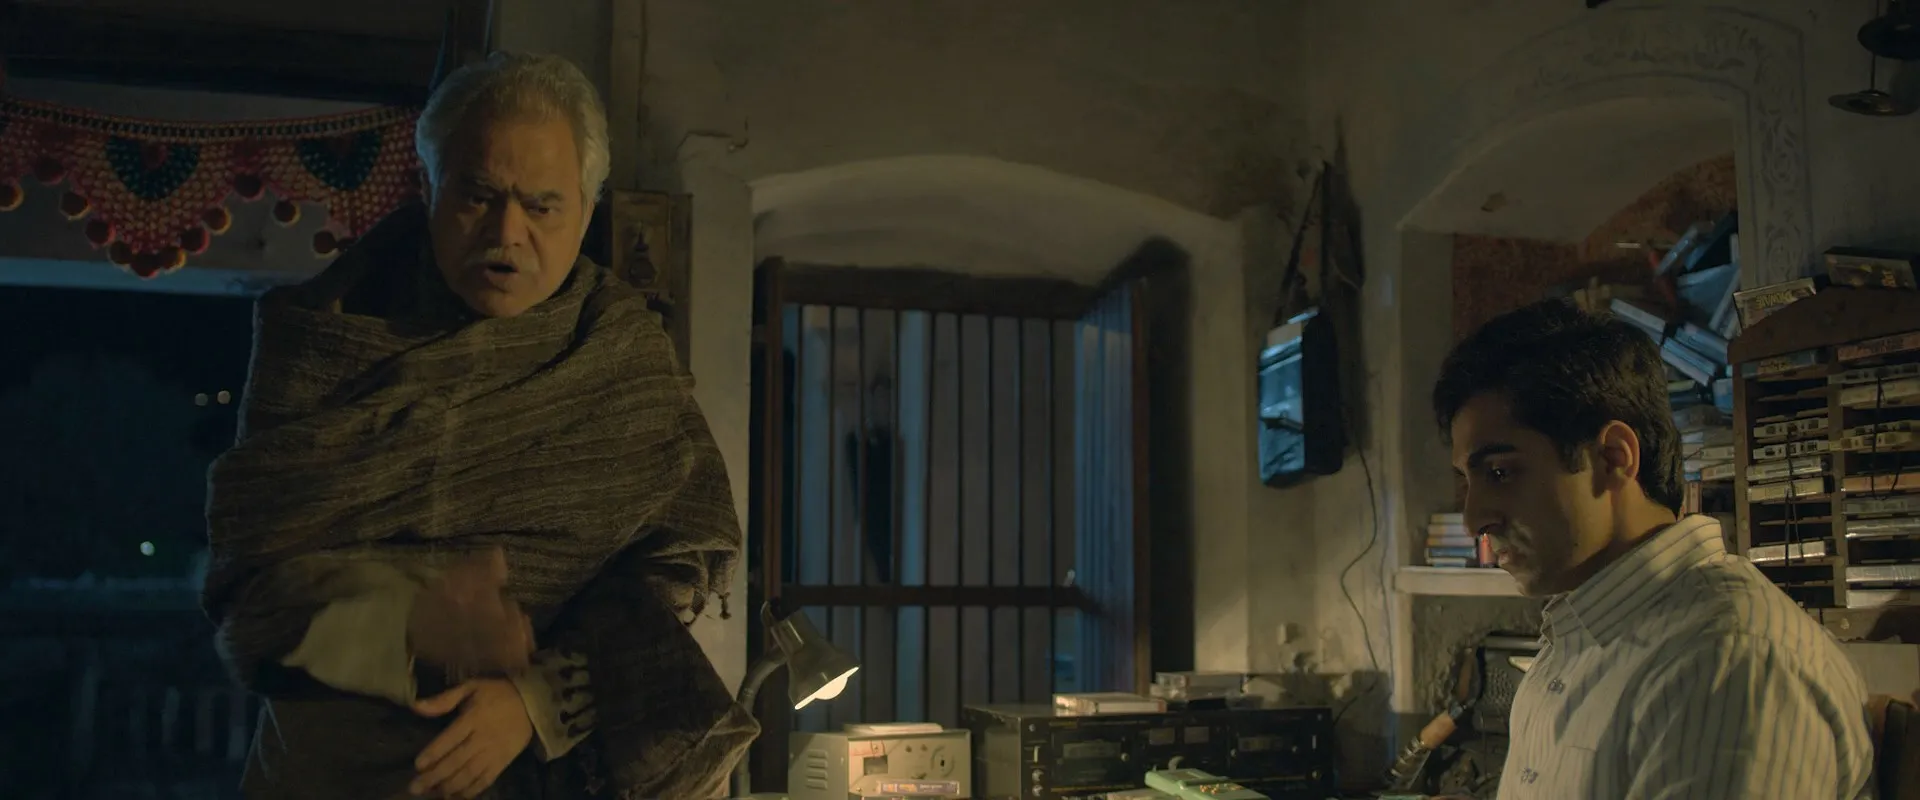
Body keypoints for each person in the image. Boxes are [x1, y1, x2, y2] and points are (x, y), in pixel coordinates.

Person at [200, 52, 757, 799]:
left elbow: (675, 570)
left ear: (587, 208)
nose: (507, 231)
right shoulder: (324, 338)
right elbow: (250, 607)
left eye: (542, 206)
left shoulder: (622, 359)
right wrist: (406, 619)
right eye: (478, 195)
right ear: (428, 184)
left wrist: (539, 701)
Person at [1431, 299, 1873, 799]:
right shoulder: (1580, 639)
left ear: (1613, 458)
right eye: (1467, 480)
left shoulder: (1724, 659)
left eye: (1500, 472)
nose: (1473, 519)